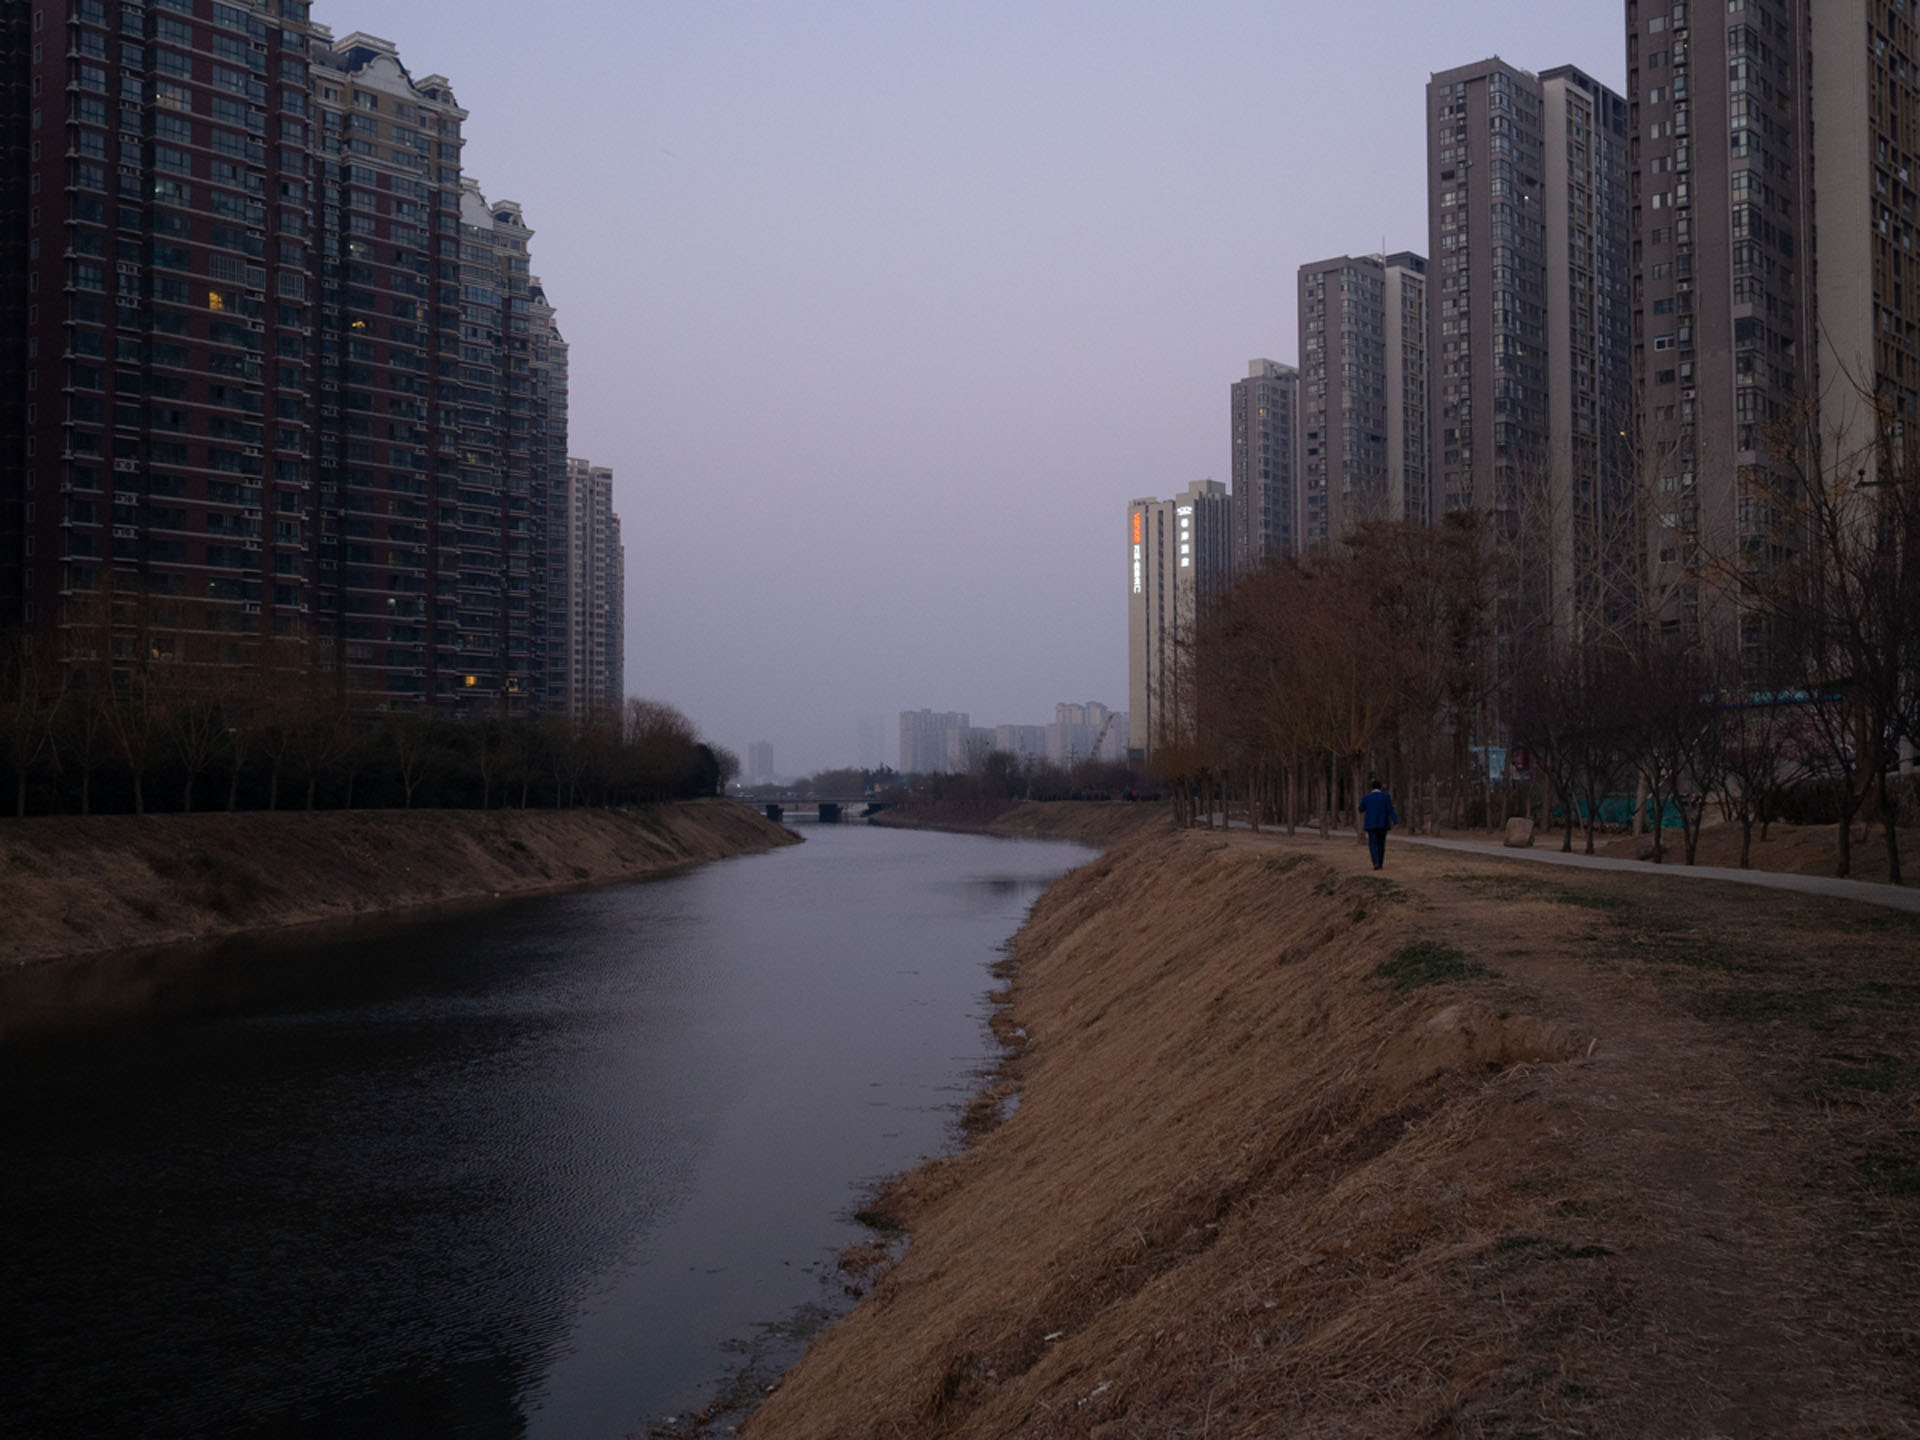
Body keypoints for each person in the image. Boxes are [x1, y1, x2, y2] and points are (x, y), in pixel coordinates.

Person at [1359, 777, 1398, 870]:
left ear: (1371, 787)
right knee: (1381, 844)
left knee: (1373, 844)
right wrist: (1395, 820)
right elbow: (1390, 810)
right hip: (1383, 824)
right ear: (1380, 787)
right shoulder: (1386, 797)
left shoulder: (1366, 797)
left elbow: (1361, 809)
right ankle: (1380, 863)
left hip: (1371, 824)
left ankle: (1375, 862)